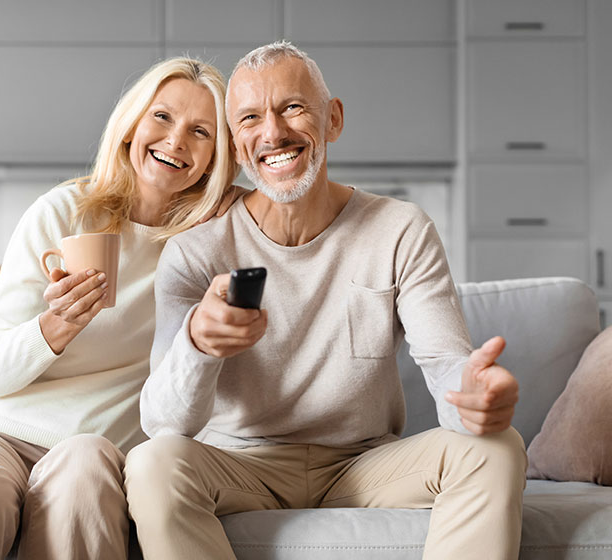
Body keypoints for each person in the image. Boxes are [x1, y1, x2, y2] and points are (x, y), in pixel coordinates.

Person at [124, 41, 527, 560]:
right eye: (250, 118)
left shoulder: (400, 229)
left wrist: (473, 396)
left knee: (497, 448)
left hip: (363, 463)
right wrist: (198, 344)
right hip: (242, 464)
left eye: (292, 107)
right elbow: (163, 424)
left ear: (332, 119)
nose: (273, 132)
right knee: (151, 463)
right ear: (234, 142)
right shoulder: (195, 253)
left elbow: (447, 366)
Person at [0, 57, 238, 560]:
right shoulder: (63, 213)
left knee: (85, 469)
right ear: (131, 125)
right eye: (162, 117)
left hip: (92, 451)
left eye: (202, 131)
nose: (176, 141)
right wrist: (53, 327)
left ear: (217, 155)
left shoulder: (207, 242)